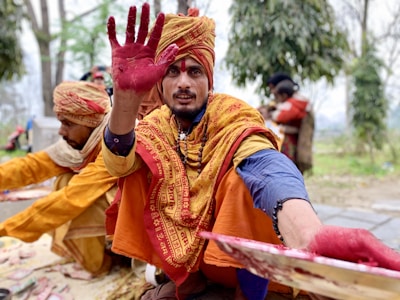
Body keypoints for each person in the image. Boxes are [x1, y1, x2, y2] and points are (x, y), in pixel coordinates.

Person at [102, 3, 400, 299]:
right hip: (181, 265)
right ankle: (183, 280)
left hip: (234, 264)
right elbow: (118, 165)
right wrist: (126, 101)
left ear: (209, 79)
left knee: (240, 180)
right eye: (172, 72)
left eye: (195, 71)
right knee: (139, 165)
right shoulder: (155, 126)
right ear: (159, 81)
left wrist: (308, 235)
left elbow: (264, 163)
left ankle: (250, 294)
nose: (184, 83)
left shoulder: (230, 113)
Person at [0, 81, 120, 277]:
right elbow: (32, 167)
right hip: (115, 214)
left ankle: (103, 264)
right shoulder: (78, 145)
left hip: (143, 220)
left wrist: (5, 229)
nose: (61, 131)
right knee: (63, 180)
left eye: (68, 124)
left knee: (81, 206)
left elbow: (72, 198)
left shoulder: (116, 143)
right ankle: (98, 252)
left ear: (92, 123)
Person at [266, 74, 314, 174]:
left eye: (273, 88)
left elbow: (281, 116)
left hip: (291, 144)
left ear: (283, 94)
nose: (272, 92)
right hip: (291, 142)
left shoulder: (294, 103)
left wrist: (272, 115)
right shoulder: (296, 102)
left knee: (288, 169)